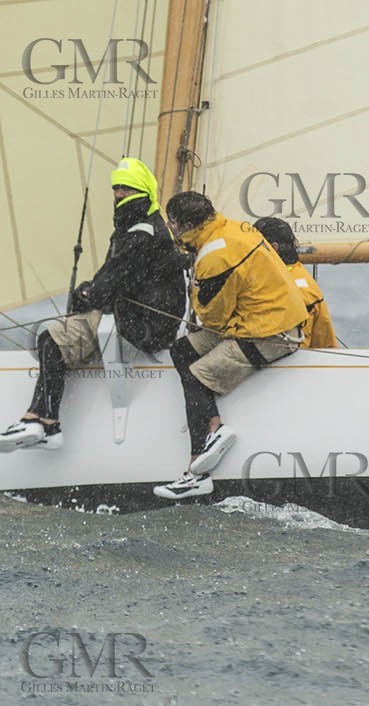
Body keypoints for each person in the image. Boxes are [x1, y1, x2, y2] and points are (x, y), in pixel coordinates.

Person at [0, 157, 185, 452]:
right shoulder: (149, 228)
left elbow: (106, 285)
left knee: (50, 339)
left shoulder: (140, 234)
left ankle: (44, 422)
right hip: (146, 320)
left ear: (142, 192)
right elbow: (115, 279)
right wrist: (93, 293)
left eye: (126, 189)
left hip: (139, 325)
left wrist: (84, 296)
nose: (118, 194)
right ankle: (40, 422)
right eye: (116, 188)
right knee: (57, 336)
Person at [153, 192, 309, 500]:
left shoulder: (214, 257)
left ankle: (197, 467)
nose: (168, 227)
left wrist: (194, 285)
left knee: (199, 374)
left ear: (186, 224)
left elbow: (214, 314)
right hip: (258, 317)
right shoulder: (232, 228)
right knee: (182, 350)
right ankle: (211, 422)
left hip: (271, 332)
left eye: (171, 222)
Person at [252, 216, 339, 349]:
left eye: (253, 246)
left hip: (286, 363)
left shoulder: (280, 288)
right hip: (304, 361)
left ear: (273, 248)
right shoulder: (301, 278)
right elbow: (325, 342)